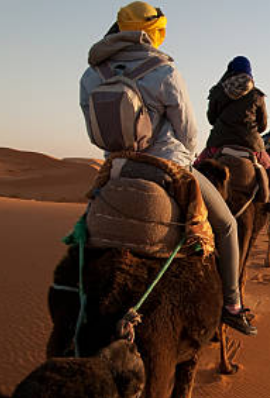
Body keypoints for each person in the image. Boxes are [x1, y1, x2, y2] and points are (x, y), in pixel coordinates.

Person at [79, 1, 256, 336]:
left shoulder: (92, 74)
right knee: (228, 226)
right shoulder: (164, 71)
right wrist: (183, 161)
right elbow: (188, 131)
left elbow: (94, 130)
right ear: (154, 32)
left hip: (117, 168)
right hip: (168, 164)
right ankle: (232, 305)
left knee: (83, 228)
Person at [204, 56, 270, 215]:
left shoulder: (218, 91)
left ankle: (190, 198)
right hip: (251, 144)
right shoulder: (257, 95)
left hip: (219, 142)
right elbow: (263, 126)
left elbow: (211, 119)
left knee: (197, 166)